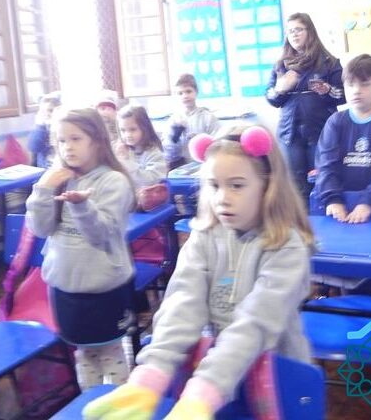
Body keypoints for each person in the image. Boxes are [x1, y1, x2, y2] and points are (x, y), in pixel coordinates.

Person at [83, 125, 314, 420]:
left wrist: (206, 389)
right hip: (215, 384)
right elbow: (182, 304)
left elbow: (256, 323)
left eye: (237, 185)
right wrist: (151, 375)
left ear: (267, 185)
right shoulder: (204, 237)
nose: (223, 198)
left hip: (276, 379)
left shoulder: (286, 247)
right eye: (214, 186)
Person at [25, 108, 136, 391]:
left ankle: (119, 402)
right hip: (65, 288)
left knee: (111, 354)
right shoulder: (58, 177)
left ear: (97, 140)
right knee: (84, 355)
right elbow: (40, 229)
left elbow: (101, 235)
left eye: (76, 139)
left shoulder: (114, 181)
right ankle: (89, 402)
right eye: (62, 140)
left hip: (103, 288)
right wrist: (43, 189)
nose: (68, 147)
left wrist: (81, 205)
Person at [315, 53, 371, 223]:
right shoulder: (335, 122)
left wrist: (367, 203)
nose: (356, 90)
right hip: (339, 207)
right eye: (350, 84)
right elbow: (326, 165)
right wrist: (333, 199)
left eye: (365, 84)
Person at [266, 12, 345, 199]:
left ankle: (323, 215)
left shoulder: (329, 62)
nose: (294, 34)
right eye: (290, 31)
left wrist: (327, 90)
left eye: (299, 30)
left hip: (321, 132)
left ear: (310, 31)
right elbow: (270, 98)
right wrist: (280, 89)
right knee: (295, 186)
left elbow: (343, 95)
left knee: (323, 180)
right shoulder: (280, 65)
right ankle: (302, 217)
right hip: (290, 134)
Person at [163, 74, 218, 171]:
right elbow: (169, 155)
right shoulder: (173, 120)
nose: (185, 96)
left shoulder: (208, 117)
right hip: (182, 169)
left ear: (196, 92)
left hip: (205, 166)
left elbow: (217, 146)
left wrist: (201, 141)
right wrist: (175, 137)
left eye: (188, 91)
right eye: (180, 93)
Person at [115, 105, 167, 188]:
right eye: (123, 130)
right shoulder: (121, 150)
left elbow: (151, 181)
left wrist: (126, 161)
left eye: (132, 129)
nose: (127, 135)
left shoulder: (154, 153)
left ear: (145, 128)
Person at [27, 91, 62, 168]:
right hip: (44, 167)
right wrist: (40, 126)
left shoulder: (64, 127)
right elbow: (34, 148)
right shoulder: (41, 128)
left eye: (50, 110)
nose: (47, 114)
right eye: (43, 111)